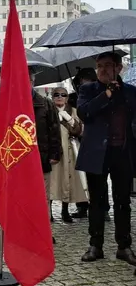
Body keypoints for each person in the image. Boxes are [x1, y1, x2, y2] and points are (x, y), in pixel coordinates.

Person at [76, 52, 136, 265]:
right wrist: (106, 95)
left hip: (122, 152)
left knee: (123, 201)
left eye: (108, 65)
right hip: (96, 154)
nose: (102, 69)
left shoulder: (130, 92)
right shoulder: (87, 90)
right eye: (99, 66)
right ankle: (96, 245)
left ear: (119, 68)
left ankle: (124, 246)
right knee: (97, 201)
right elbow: (83, 113)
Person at [48, 87, 86, 223]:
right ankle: (49, 212)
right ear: (52, 97)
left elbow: (79, 130)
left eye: (63, 95)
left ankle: (65, 211)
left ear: (67, 97)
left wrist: (69, 120)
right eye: (56, 94)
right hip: (54, 151)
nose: (59, 97)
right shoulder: (48, 111)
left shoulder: (73, 111)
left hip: (70, 152)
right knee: (52, 182)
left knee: (67, 181)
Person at [30, 79, 62, 223]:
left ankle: (44, 230)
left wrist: (55, 153)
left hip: (41, 157)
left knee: (43, 196)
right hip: (20, 159)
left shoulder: (45, 103)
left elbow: (54, 129)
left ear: (32, 81)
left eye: (28, 79)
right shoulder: (12, 102)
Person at [69, 68, 97, 219]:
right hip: (79, 140)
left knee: (97, 176)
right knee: (80, 175)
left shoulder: (98, 94)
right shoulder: (74, 97)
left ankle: (101, 207)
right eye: (81, 80)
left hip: (95, 140)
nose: (84, 83)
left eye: (87, 80)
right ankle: (82, 206)